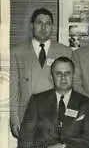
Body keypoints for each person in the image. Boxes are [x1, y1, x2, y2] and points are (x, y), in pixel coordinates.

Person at [10, 8, 72, 138]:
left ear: (52, 27)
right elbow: (13, 88)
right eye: (39, 23)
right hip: (27, 115)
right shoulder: (16, 52)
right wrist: (14, 118)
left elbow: (71, 87)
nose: (43, 28)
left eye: (48, 24)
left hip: (56, 116)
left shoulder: (65, 51)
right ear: (32, 25)